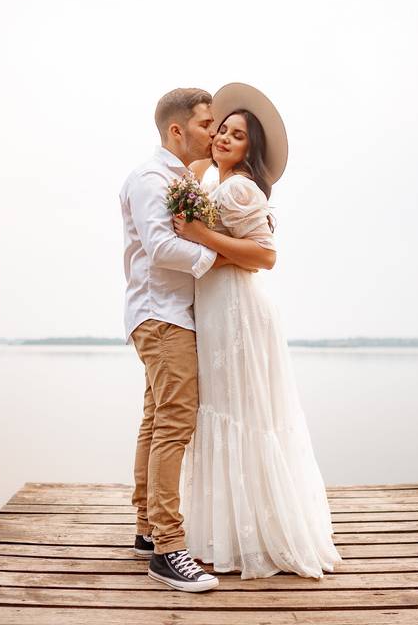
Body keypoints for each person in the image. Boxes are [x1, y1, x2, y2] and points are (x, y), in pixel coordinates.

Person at [174, 83, 343, 580]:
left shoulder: (241, 188)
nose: (224, 138)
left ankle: (259, 536)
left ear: (252, 148)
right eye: (222, 130)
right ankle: (226, 534)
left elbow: (266, 256)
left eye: (237, 135)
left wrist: (202, 237)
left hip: (241, 312)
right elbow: (222, 242)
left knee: (245, 413)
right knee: (223, 411)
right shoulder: (213, 182)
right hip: (217, 311)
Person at [119, 87, 261, 592]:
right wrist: (219, 258)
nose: (213, 132)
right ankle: (168, 549)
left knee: (158, 417)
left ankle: (146, 529)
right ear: (177, 130)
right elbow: (159, 246)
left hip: (174, 315)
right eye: (206, 124)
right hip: (163, 315)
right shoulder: (149, 179)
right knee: (175, 422)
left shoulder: (183, 179)